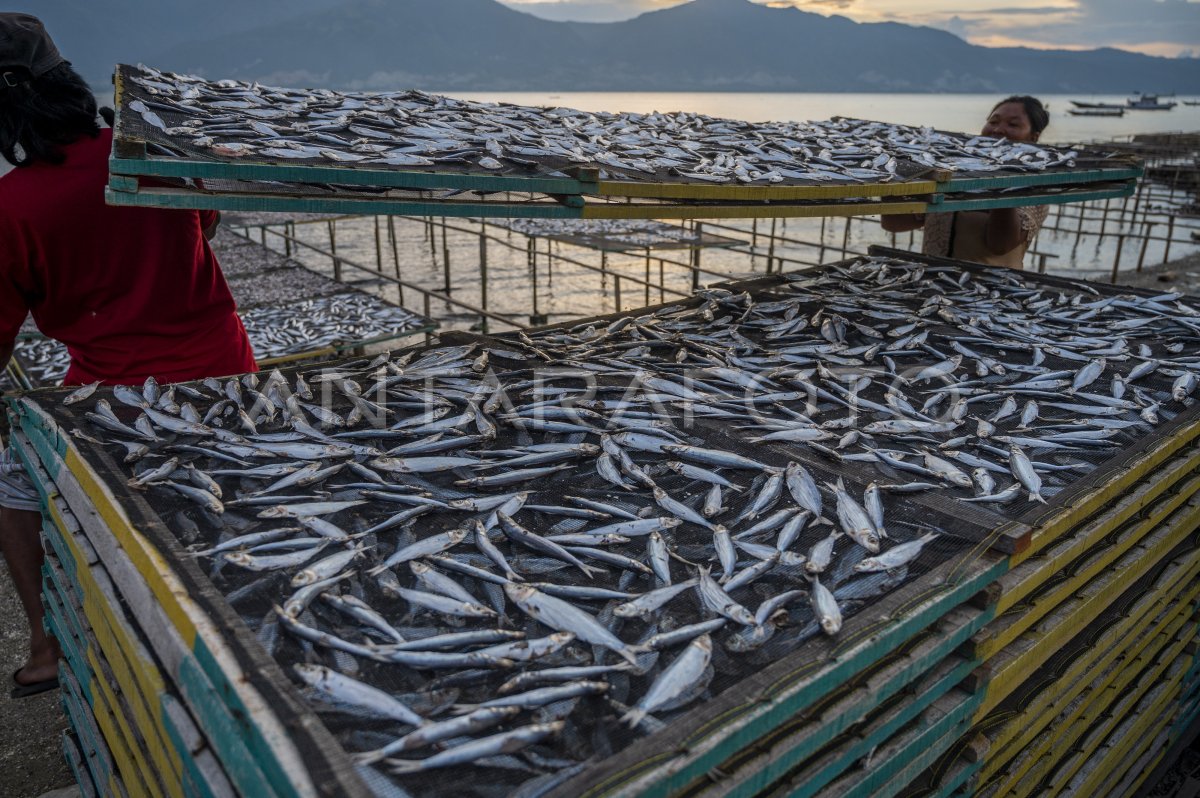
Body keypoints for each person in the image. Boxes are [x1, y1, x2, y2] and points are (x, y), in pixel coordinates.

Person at [0, 13, 257, 698]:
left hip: (114, 398)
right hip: (231, 372)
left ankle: (47, 644)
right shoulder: (149, 154)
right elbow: (204, 226)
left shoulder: (12, 205)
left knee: (8, 487)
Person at [881, 96, 1052, 270]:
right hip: (932, 286)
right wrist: (892, 170)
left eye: (1013, 125)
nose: (999, 129)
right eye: (993, 121)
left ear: (1033, 137)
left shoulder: (1034, 188)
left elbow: (999, 246)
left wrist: (1003, 183)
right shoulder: (955, 173)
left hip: (990, 291)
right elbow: (893, 222)